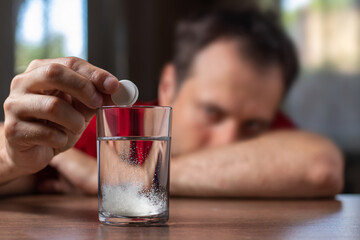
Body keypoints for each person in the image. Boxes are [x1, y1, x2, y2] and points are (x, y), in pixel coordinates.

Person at [0, 9, 343, 197]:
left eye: (253, 124)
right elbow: (23, 171)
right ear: (168, 86)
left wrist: (126, 178)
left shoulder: (268, 134)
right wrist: (12, 155)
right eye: (212, 112)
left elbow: (319, 166)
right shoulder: (113, 128)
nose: (228, 140)